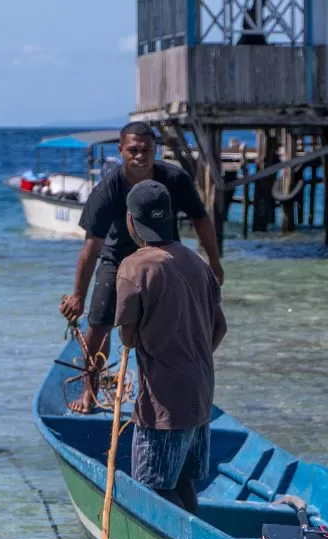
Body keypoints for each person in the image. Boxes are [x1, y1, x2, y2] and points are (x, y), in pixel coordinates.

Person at [59, 121, 223, 413]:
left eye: (146, 150)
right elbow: (91, 248)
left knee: (179, 323)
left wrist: (214, 263)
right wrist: (78, 295)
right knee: (99, 325)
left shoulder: (174, 179)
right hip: (117, 259)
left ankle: (178, 384)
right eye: (133, 150)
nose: (140, 156)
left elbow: (200, 219)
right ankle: (90, 391)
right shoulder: (107, 190)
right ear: (120, 151)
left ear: (155, 150)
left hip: (163, 256)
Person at [115, 180, 227, 514]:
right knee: (182, 481)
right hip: (201, 391)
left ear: (131, 220)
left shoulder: (134, 267)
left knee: (153, 488)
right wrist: (191, 355)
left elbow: (128, 337)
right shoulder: (196, 261)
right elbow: (220, 327)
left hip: (163, 400)